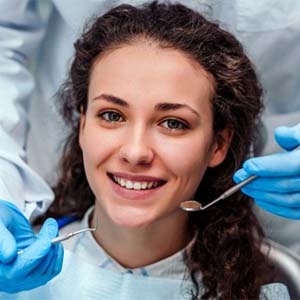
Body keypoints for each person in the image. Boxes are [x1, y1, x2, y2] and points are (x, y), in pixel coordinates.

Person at [0, 0, 299, 294]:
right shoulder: (16, 280)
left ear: (218, 144)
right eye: (112, 115)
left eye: (173, 123)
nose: (135, 152)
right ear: (82, 126)